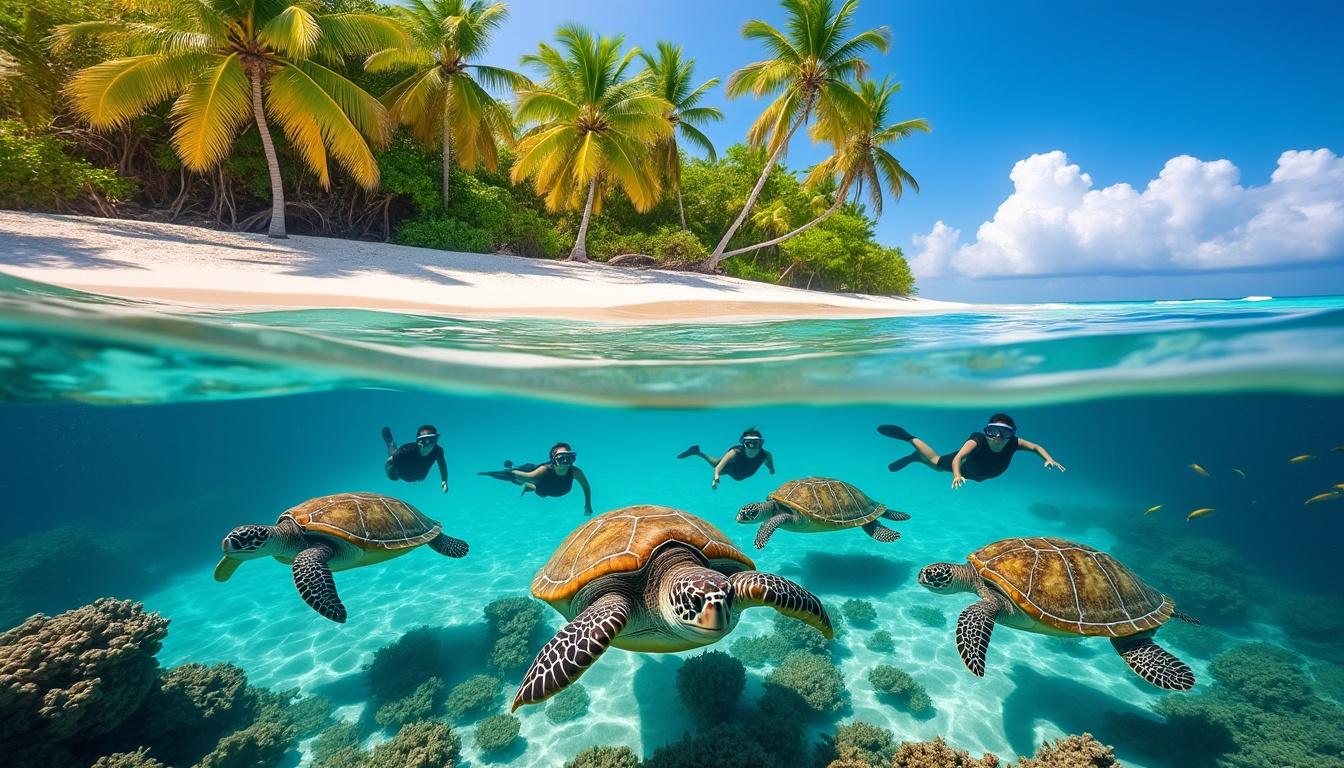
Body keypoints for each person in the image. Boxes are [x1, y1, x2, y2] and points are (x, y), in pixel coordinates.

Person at [879, 413, 1064, 489]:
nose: (998, 437)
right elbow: (958, 458)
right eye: (993, 431)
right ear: (986, 431)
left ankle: (917, 458)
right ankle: (909, 438)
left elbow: (1036, 447)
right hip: (965, 467)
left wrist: (1048, 458)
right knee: (935, 461)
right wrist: (957, 475)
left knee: (936, 468)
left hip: (977, 475)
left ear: (1012, 434)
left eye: (1005, 432)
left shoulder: (1014, 443)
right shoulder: (978, 440)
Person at [479, 442, 594, 516]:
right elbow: (514, 476)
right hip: (541, 486)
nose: (565, 462)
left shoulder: (575, 472)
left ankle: (530, 485)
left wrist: (588, 504)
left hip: (554, 489)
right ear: (554, 460)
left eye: (569, 458)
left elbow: (586, 486)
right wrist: (505, 472)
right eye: (561, 458)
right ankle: (514, 468)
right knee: (522, 477)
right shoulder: (542, 471)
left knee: (531, 483)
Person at [677, 427, 776, 490]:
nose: (752, 447)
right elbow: (718, 468)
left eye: (756, 443)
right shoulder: (735, 452)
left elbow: (769, 462)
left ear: (761, 444)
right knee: (715, 463)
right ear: (743, 444)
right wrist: (715, 478)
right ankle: (697, 452)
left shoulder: (765, 455)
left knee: (716, 465)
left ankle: (696, 451)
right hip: (731, 469)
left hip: (740, 473)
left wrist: (771, 468)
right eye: (749, 443)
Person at [382, 424, 448, 493]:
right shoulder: (406, 451)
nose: (429, 445)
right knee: (392, 447)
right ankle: (389, 439)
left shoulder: (437, 451)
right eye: (424, 441)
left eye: (433, 440)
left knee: (421, 477)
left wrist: (444, 481)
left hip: (419, 475)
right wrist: (390, 473)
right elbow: (389, 462)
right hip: (402, 473)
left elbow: (442, 465)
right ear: (418, 442)